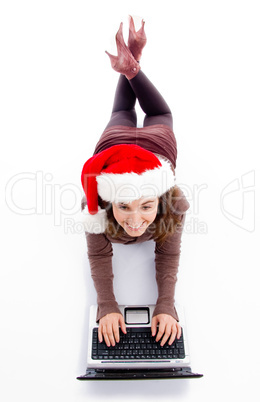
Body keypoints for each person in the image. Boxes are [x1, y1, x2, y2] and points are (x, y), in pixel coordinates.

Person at [81, 17, 190, 349]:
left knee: (132, 111)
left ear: (160, 197)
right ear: (109, 202)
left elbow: (167, 255)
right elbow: (99, 256)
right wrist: (106, 305)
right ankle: (132, 65)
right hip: (132, 145)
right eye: (124, 206)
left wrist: (166, 304)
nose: (134, 219)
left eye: (146, 206)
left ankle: (133, 64)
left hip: (133, 143)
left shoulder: (175, 203)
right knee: (148, 112)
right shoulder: (95, 208)